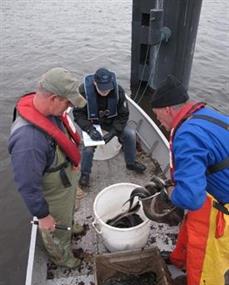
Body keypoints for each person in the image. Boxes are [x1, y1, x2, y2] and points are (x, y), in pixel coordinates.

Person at [148, 74, 229, 285]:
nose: (159, 122)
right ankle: (179, 260)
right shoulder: (207, 114)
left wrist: (172, 193)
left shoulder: (187, 135)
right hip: (214, 191)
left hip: (223, 210)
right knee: (191, 223)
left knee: (206, 272)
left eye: (157, 115)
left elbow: (191, 199)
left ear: (167, 110)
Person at [8, 67, 86, 268]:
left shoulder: (48, 111)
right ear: (53, 98)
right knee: (55, 228)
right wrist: (43, 215)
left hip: (65, 178)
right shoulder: (28, 141)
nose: (69, 107)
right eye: (67, 102)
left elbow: (61, 138)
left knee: (68, 209)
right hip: (53, 191)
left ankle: (69, 225)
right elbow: (27, 185)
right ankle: (63, 258)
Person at [73, 67, 146, 187]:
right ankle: (85, 174)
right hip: (91, 123)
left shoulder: (119, 91)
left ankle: (131, 162)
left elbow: (123, 115)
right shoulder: (83, 92)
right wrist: (90, 129)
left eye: (107, 88)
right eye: (102, 89)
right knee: (88, 149)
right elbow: (78, 114)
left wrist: (113, 132)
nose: (105, 91)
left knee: (130, 134)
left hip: (111, 122)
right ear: (95, 83)